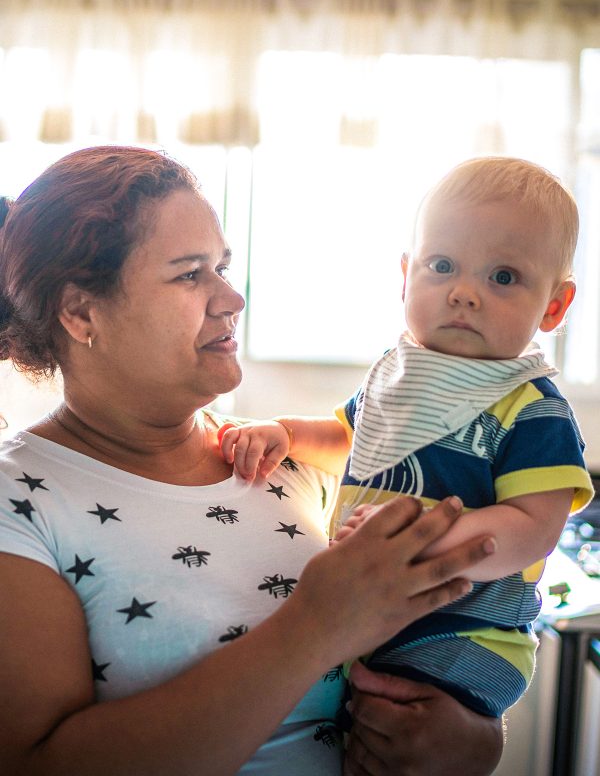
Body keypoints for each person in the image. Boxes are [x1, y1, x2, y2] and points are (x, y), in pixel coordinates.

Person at [0, 145, 503, 776]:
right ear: (80, 312)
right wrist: (313, 624)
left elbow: (426, 660)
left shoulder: (279, 460)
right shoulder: (19, 501)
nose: (231, 299)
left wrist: (474, 739)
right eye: (190, 274)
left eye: (223, 267)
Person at [220, 156, 595, 720]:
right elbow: (354, 439)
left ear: (555, 306)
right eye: (442, 265)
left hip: (459, 638)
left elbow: (531, 530)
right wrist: (287, 433)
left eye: (502, 277)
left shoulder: (531, 409)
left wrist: (419, 540)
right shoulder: (400, 371)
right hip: (371, 620)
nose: (464, 293)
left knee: (391, 732)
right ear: (404, 276)